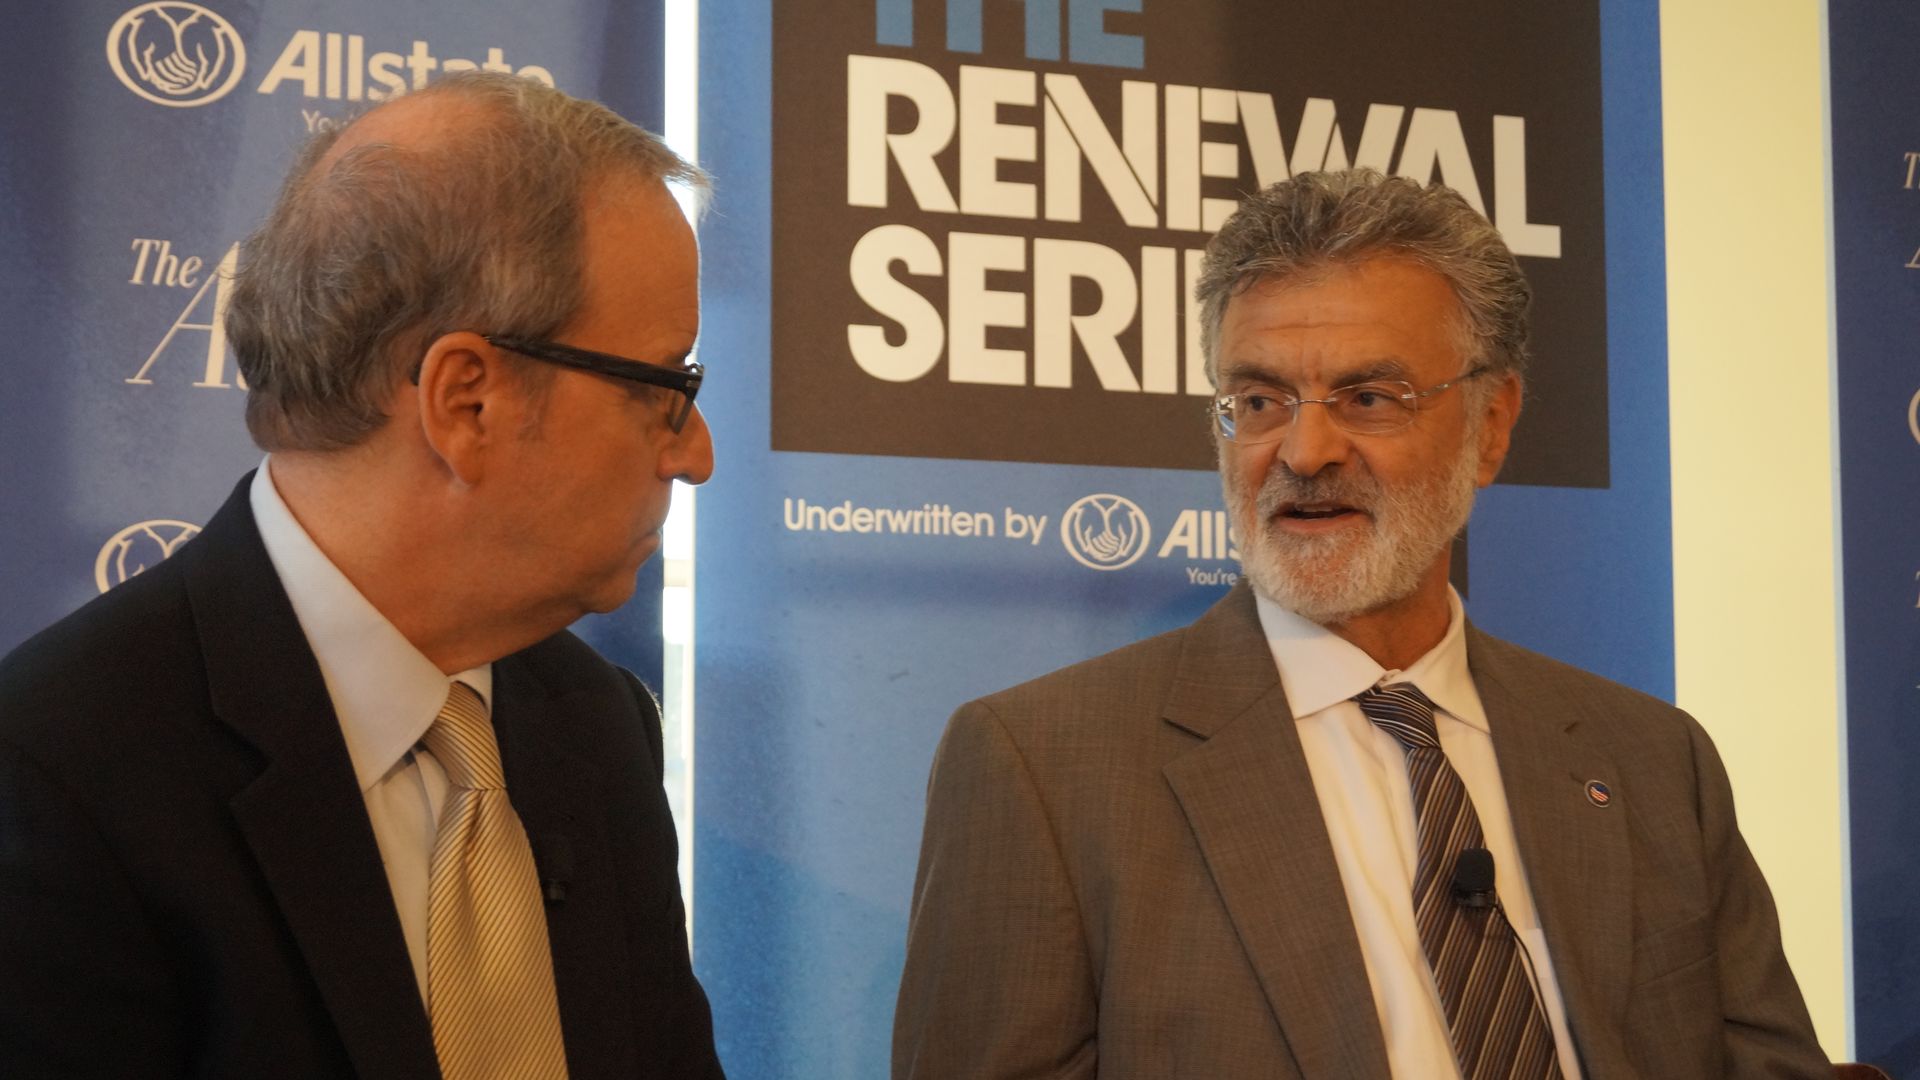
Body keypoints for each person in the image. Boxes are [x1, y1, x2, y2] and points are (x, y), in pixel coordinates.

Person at [892, 169, 1829, 1079]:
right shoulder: (1041, 770)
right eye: (1259, 401)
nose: (1303, 450)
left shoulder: (1655, 762)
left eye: (1369, 399)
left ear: (1491, 425)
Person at [0, 72, 722, 1078]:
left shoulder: (594, 724)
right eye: (666, 388)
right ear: (467, 401)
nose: (696, 455)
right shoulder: (58, 773)